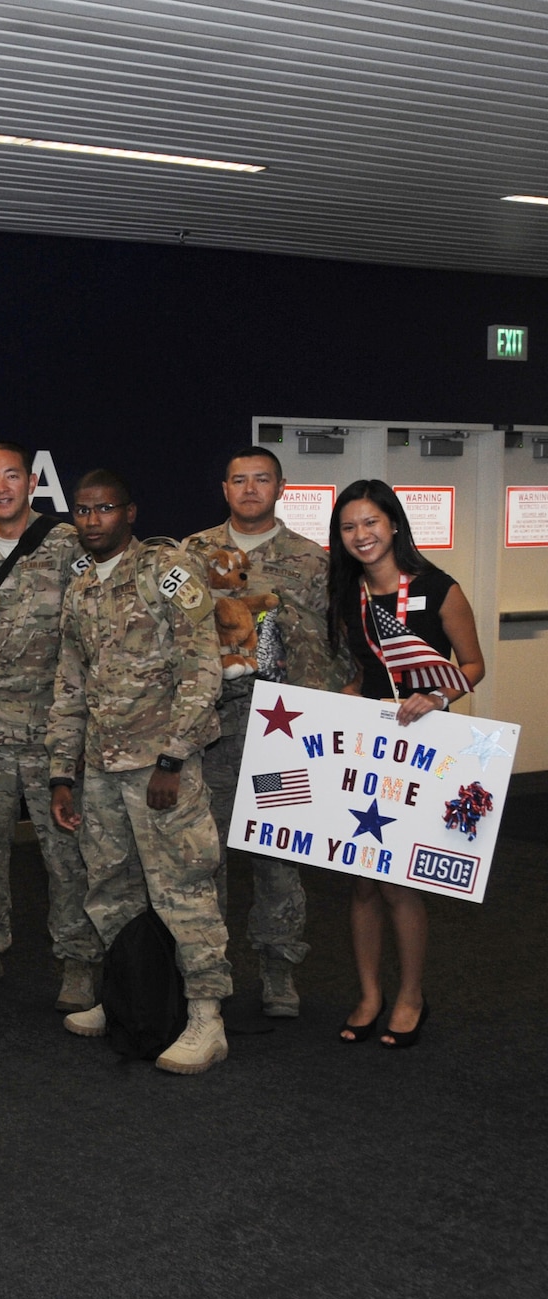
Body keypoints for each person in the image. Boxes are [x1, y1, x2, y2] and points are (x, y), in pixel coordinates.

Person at [49, 469, 233, 1074]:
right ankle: (128, 997)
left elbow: (202, 667)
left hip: (161, 767)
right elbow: (70, 684)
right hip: (102, 767)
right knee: (111, 888)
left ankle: (207, 1017)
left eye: (103, 509)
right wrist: (61, 774)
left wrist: (173, 758)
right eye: (81, 510)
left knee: (182, 886)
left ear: (130, 513)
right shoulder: (79, 590)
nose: (91, 520)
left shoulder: (166, 572)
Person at [0, 444, 99, 1003]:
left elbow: (89, 640)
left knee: (66, 854)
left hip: (51, 733)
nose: (2, 487)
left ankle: (78, 960)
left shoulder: (67, 546)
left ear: (32, 482)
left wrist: (80, 733)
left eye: (12, 476)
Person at [329, 479, 484, 1048]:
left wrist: (439, 697)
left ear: (393, 524)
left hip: (422, 746)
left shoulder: (440, 588)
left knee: (399, 883)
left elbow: (472, 664)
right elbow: (363, 670)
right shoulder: (349, 594)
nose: (361, 535)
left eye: (370, 522)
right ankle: (370, 994)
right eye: (349, 527)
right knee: (362, 881)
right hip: (369, 745)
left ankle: (411, 995)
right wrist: (345, 694)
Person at [184, 446, 338, 1017]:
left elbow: (330, 645)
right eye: (239, 480)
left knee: (277, 854)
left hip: (284, 730)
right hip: (212, 729)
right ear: (224, 489)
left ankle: (278, 970)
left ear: (281, 487)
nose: (250, 489)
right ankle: (209, 973)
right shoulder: (192, 553)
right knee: (207, 856)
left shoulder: (309, 560)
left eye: (262, 480)